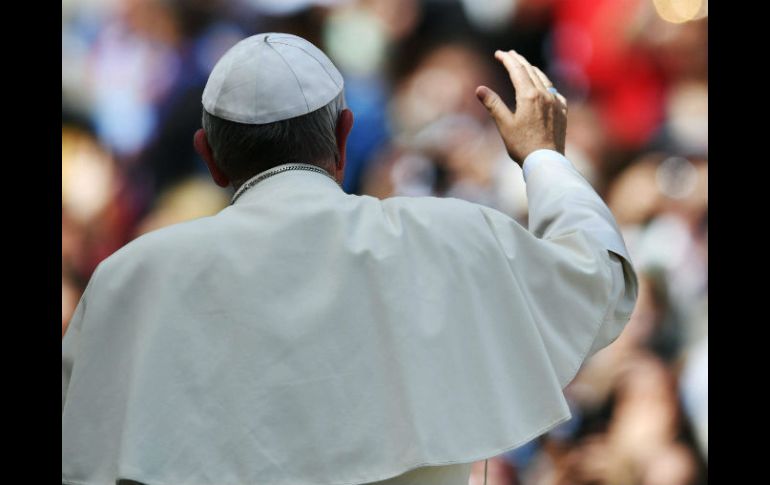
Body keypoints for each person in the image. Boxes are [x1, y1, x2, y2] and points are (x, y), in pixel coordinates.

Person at [62, 33, 638, 485]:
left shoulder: (128, 280)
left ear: (209, 157)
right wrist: (543, 158)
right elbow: (600, 281)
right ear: (343, 139)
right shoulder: (447, 236)